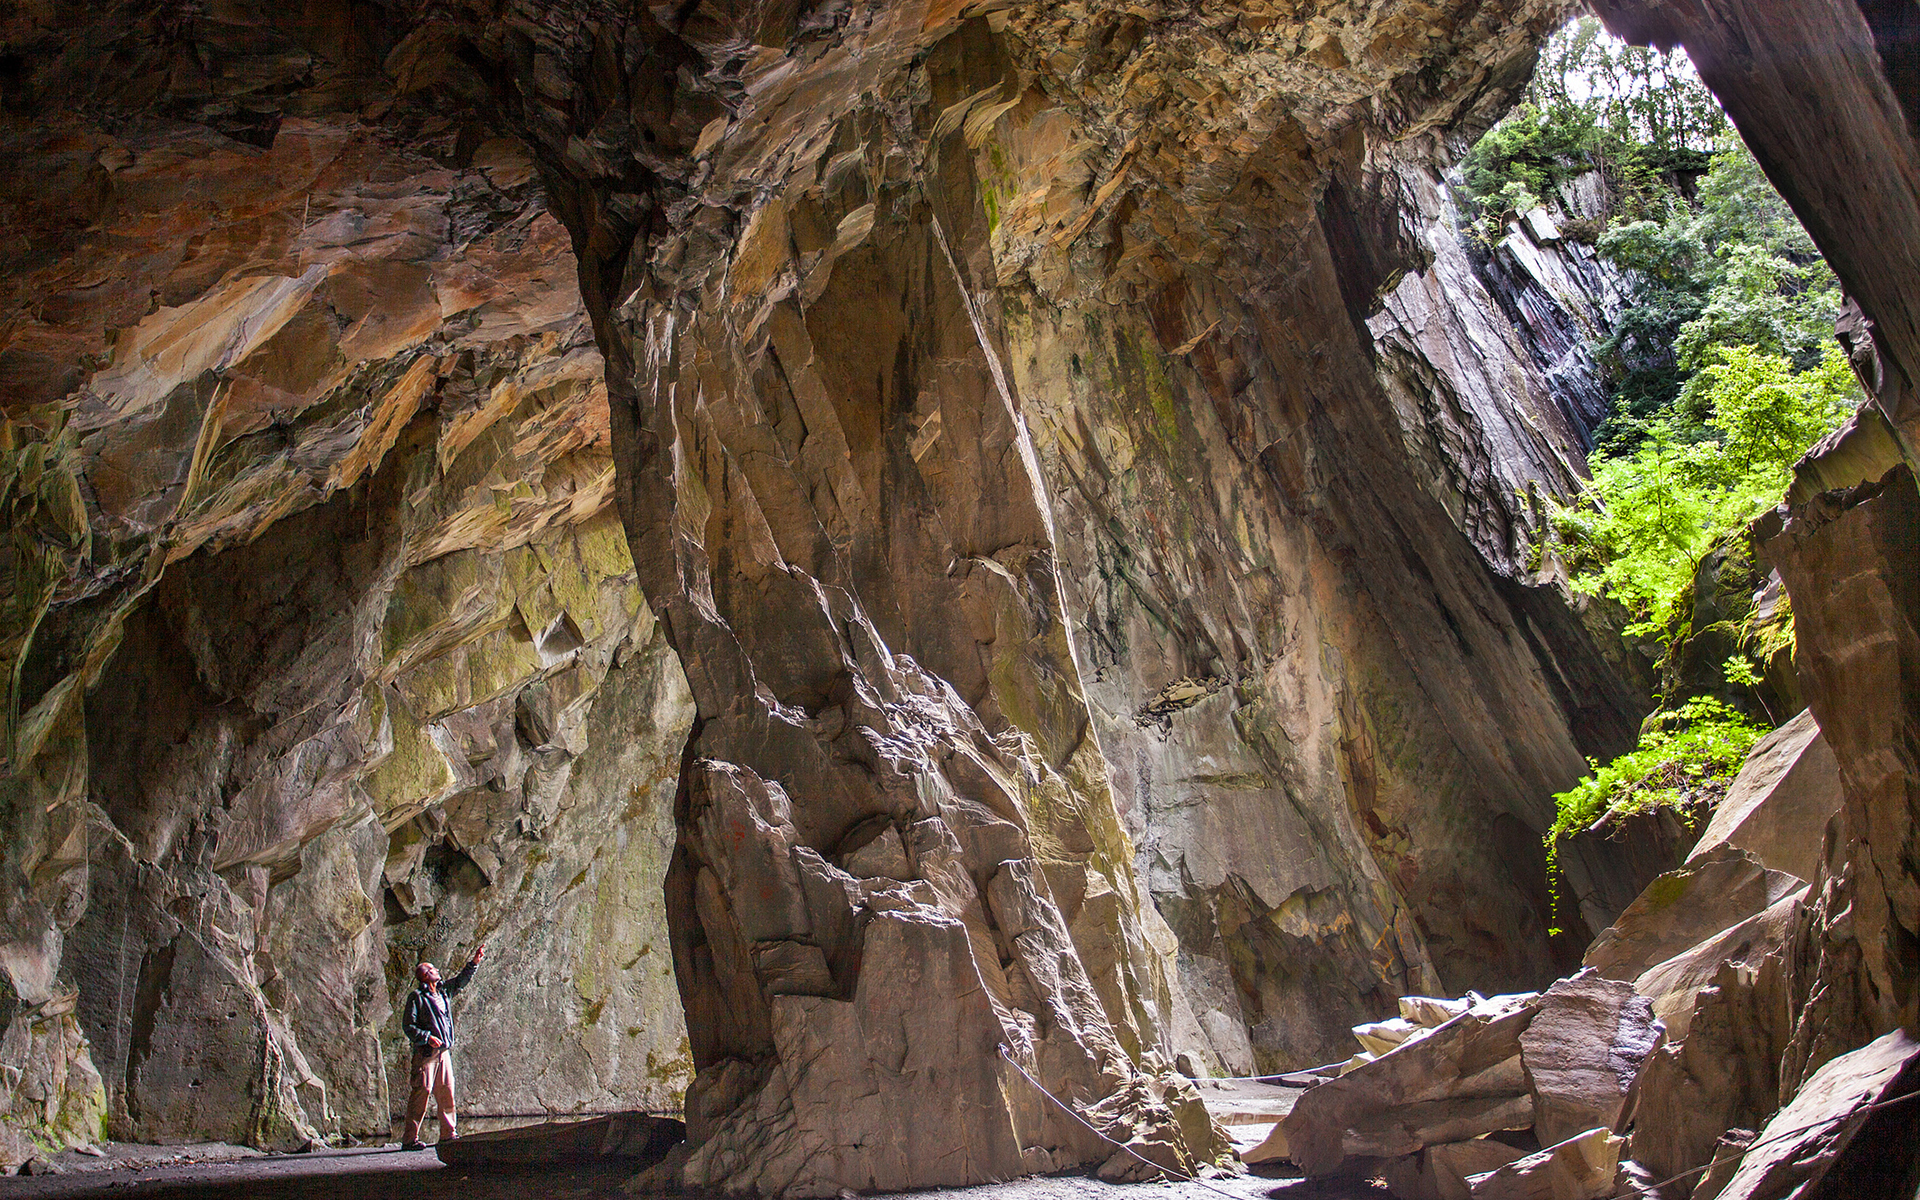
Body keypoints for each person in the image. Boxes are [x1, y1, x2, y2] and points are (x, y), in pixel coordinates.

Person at [399, 943, 486, 1150]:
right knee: (422, 1092)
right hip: (426, 1054)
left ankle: (448, 1133)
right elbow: (408, 1026)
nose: (437, 971)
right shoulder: (417, 998)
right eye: (432, 969)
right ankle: (410, 1139)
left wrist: (474, 963)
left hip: (443, 1053)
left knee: (446, 1091)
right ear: (425, 976)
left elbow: (460, 982)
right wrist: (427, 1037)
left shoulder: (444, 992)